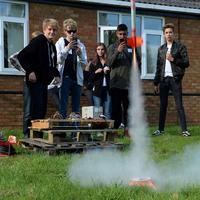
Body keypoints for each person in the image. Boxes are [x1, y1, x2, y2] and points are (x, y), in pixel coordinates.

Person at [17, 18, 60, 137]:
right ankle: (27, 137)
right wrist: (30, 71)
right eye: (50, 29)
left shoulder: (52, 46)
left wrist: (57, 75)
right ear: (44, 29)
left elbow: (51, 65)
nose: (52, 32)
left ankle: (37, 136)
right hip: (32, 82)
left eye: (54, 30)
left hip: (43, 82)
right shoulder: (39, 40)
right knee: (30, 110)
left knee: (41, 110)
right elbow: (22, 56)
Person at [153, 23, 190, 137]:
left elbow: (186, 63)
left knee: (179, 105)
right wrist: (156, 83)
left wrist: (173, 59)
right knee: (163, 105)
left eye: (170, 32)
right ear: (164, 35)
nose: (168, 34)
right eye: (166, 33)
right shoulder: (161, 49)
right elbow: (158, 67)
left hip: (175, 79)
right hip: (164, 80)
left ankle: (184, 130)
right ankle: (160, 129)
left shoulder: (180, 47)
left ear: (174, 34)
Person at [8, 31, 42, 138]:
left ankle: (36, 135)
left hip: (40, 84)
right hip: (28, 84)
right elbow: (12, 58)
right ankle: (26, 135)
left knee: (38, 109)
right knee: (28, 110)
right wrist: (26, 71)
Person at [107, 24, 141, 128]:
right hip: (116, 84)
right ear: (117, 34)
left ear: (127, 34)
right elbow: (109, 63)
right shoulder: (112, 47)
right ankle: (115, 131)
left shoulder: (132, 47)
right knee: (116, 109)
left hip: (128, 84)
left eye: (124, 34)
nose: (122, 36)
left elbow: (137, 63)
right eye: (120, 34)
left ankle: (128, 130)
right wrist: (118, 51)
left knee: (128, 109)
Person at [56, 18, 87, 119]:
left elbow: (84, 63)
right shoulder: (60, 43)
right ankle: (62, 132)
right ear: (65, 31)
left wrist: (80, 54)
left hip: (76, 79)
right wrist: (67, 48)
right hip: (64, 78)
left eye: (74, 31)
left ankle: (75, 132)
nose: (72, 34)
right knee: (63, 106)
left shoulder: (80, 45)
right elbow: (58, 60)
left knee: (76, 107)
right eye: (69, 31)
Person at [89, 43, 111, 119]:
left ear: (104, 50)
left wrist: (108, 72)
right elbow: (89, 78)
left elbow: (113, 75)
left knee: (107, 111)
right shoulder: (93, 63)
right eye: (98, 49)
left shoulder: (108, 62)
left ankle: (108, 130)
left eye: (102, 49)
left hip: (107, 89)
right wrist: (96, 72)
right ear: (96, 51)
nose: (100, 51)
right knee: (98, 112)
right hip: (97, 90)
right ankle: (98, 130)